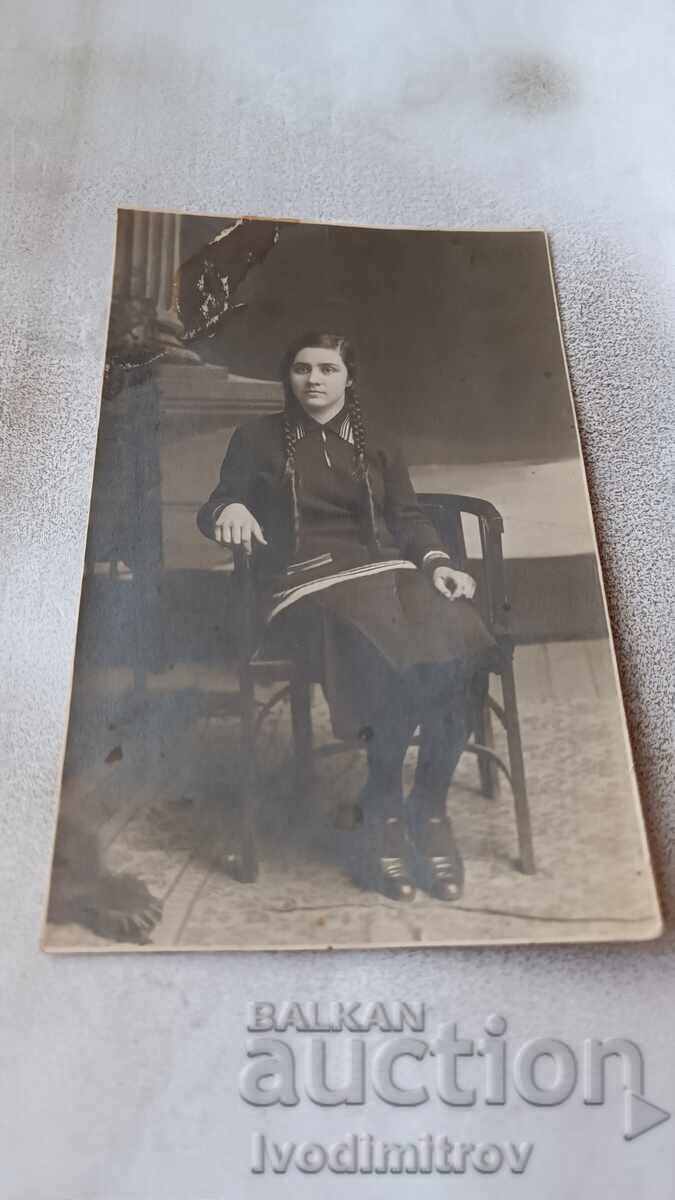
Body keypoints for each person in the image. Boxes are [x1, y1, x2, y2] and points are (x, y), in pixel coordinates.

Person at [197, 333, 495, 903]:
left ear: (348, 378)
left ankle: (428, 810)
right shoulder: (256, 439)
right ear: (289, 377)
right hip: (305, 583)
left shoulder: (378, 440)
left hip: (387, 571)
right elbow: (217, 503)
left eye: (328, 369)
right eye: (302, 369)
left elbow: (408, 517)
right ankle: (381, 809)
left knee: (464, 639)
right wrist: (228, 506)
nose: (314, 380)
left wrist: (437, 564)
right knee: (387, 649)